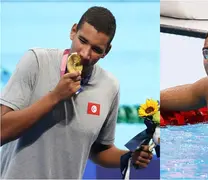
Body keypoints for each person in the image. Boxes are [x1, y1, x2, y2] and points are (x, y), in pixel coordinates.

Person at [0, 6, 153, 179]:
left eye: (96, 49)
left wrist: (129, 157)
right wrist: (55, 97)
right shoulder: (36, 62)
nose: (85, 54)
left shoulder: (109, 87)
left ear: (107, 51)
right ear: (73, 31)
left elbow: (99, 150)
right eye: (82, 40)